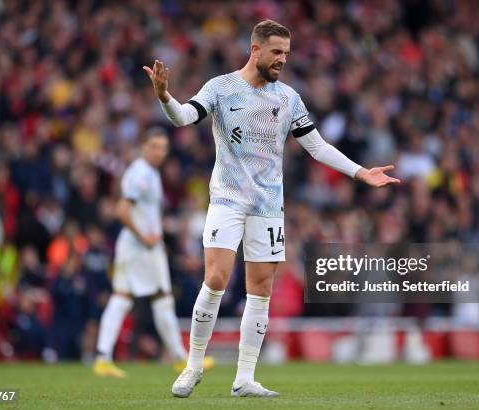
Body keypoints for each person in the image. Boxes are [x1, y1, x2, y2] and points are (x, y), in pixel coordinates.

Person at [144, 19, 400, 398]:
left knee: (260, 290)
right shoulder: (221, 87)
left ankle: (244, 377)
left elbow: (317, 146)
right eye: (277, 52)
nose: (282, 59)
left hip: (268, 206)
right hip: (227, 200)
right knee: (215, 279)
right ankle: (192, 366)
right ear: (256, 50)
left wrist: (361, 172)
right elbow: (184, 117)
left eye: (286, 53)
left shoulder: (289, 98)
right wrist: (165, 96)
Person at [93, 128, 209, 377]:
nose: (160, 152)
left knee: (131, 298)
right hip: (140, 248)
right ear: (144, 146)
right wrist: (144, 235)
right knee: (152, 298)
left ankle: (104, 357)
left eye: (163, 147)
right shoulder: (140, 175)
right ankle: (180, 358)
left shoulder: (149, 173)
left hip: (139, 247)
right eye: (155, 146)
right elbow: (122, 210)